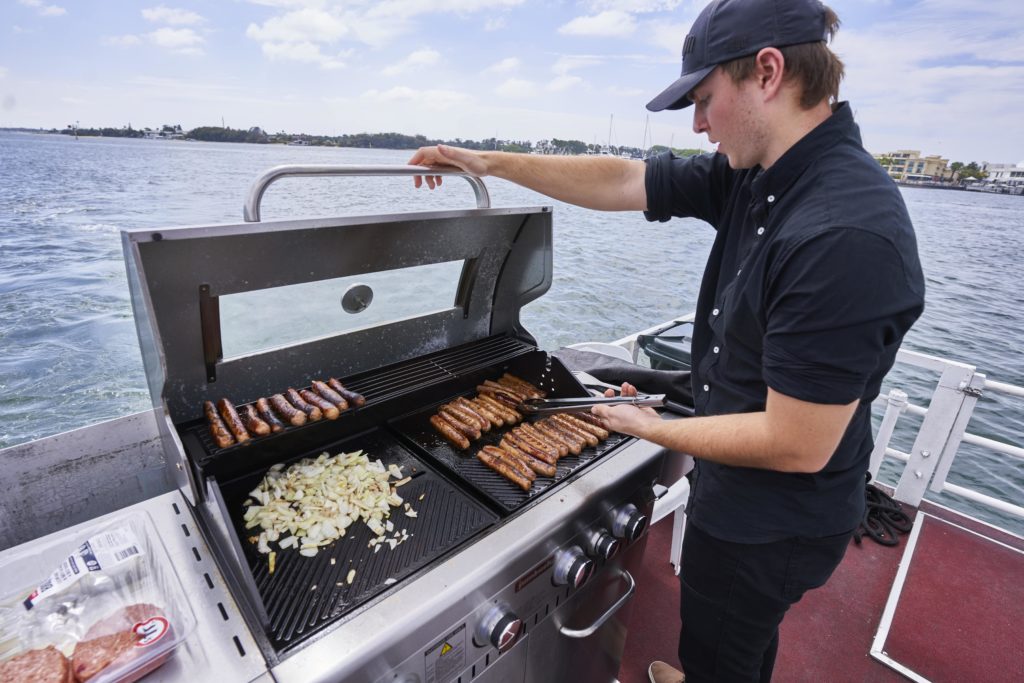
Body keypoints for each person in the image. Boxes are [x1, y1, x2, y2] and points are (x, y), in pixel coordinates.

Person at [408, 0, 925, 680]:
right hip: (745, 486)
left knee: (723, 641)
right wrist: (490, 162)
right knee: (731, 633)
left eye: (706, 99)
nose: (698, 123)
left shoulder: (843, 234)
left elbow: (797, 442)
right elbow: (626, 178)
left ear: (768, 73)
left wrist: (648, 428)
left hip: (770, 518)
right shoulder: (761, 175)